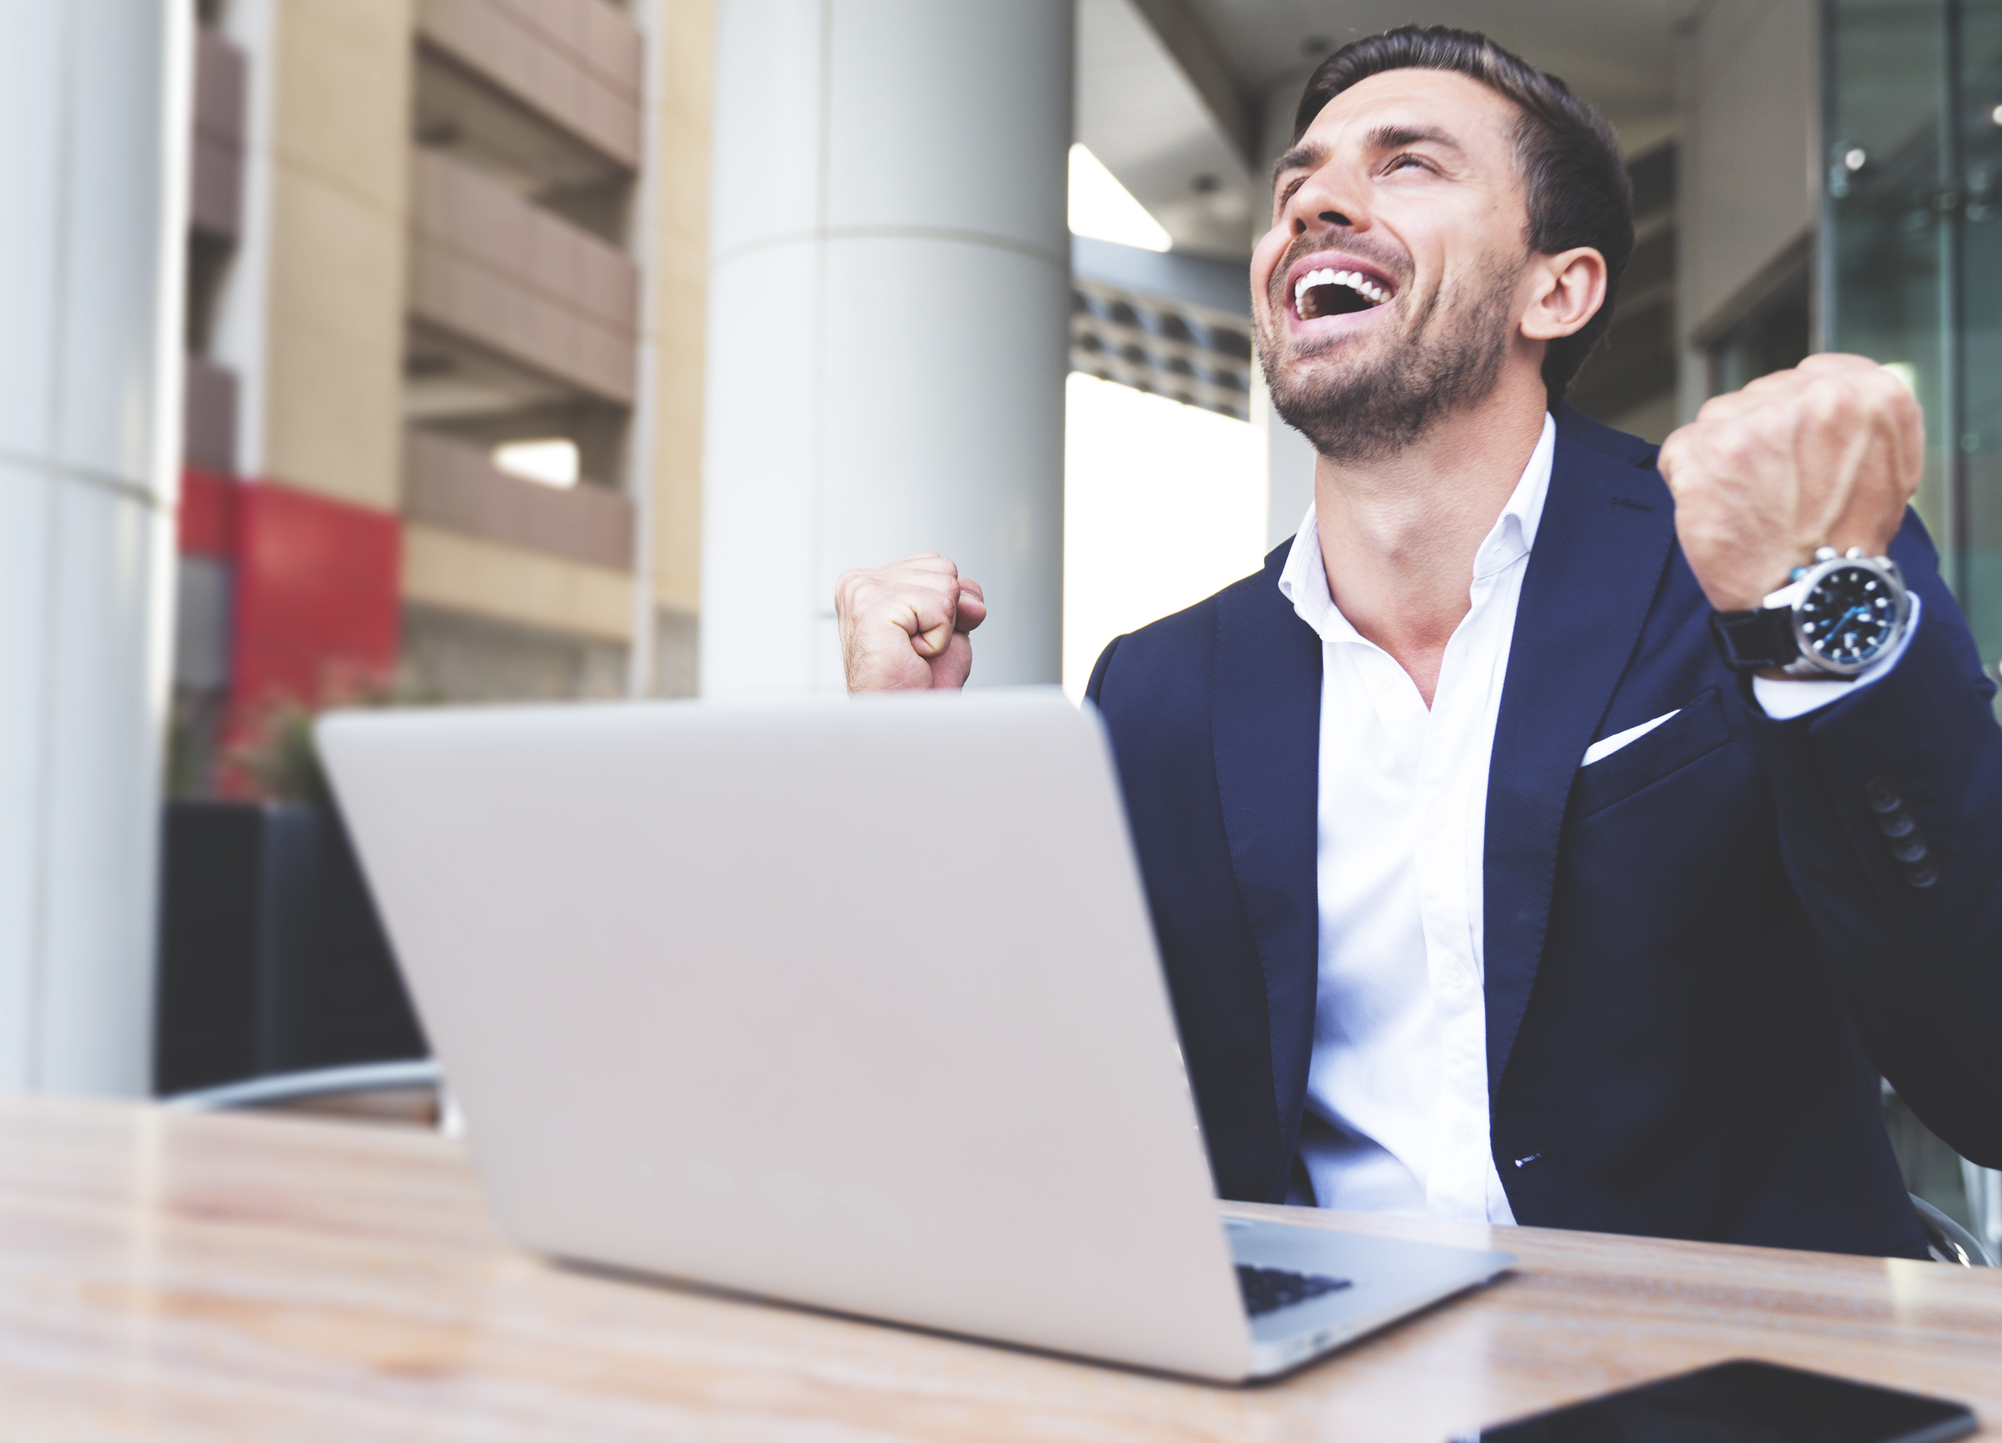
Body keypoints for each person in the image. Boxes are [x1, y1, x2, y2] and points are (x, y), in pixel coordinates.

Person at [832, 26, 2002, 1258]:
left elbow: (1980, 1067)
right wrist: (906, 772)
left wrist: (1811, 603)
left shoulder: (1750, 557)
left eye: (1407, 165)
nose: (1315, 203)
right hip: (1309, 1380)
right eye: (1297, 185)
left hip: (1719, 1379)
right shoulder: (1161, 686)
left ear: (1558, 287)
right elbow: (1014, 1105)